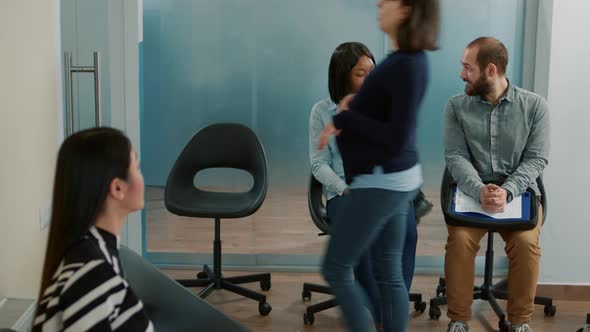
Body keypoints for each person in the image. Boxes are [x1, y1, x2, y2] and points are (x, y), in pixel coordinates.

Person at [317, 1, 439, 331]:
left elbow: (396, 136)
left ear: (406, 9)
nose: (379, 5)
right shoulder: (409, 60)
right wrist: (354, 109)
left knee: (336, 267)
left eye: (387, 2)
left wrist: (345, 117)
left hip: (381, 181)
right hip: (395, 179)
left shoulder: (403, 65)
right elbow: (390, 117)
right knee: (388, 271)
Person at [443, 37, 549, 332]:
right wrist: (479, 189)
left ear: (490, 70)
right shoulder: (455, 107)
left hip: (518, 195)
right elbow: (455, 156)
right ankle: (459, 319)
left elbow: (536, 160)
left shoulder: (535, 107)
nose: (461, 74)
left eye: (467, 68)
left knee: (527, 244)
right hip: (471, 192)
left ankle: (519, 322)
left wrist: (508, 190)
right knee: (461, 241)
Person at [33, 127, 153, 332]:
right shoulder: (92, 273)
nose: (142, 176)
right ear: (117, 188)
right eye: (138, 168)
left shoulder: (95, 249)